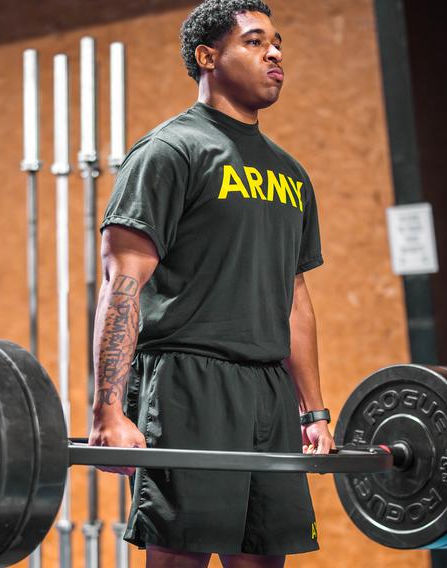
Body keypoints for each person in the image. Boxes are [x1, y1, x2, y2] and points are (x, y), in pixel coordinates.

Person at [89, 1, 335, 567]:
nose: (274, 53)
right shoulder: (170, 151)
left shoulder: (291, 174)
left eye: (277, 43)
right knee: (181, 556)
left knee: (264, 556)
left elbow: (293, 298)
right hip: (186, 384)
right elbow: (122, 281)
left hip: (267, 389)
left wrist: (313, 411)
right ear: (208, 57)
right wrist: (107, 411)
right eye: (253, 42)